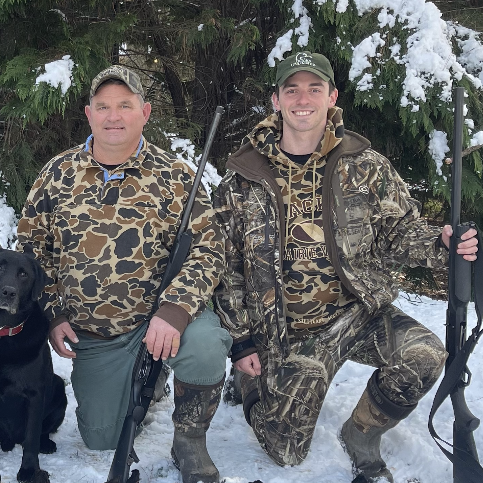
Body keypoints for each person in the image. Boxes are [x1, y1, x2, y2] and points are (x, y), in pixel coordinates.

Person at [213, 51, 478, 483]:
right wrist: (241, 341)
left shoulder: (366, 166)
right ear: (276, 100)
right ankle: (249, 386)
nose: (303, 99)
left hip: (358, 313)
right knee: (285, 450)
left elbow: (398, 233)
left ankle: (362, 433)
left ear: (331, 97)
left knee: (425, 355)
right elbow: (228, 268)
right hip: (284, 329)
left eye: (314, 88)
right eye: (292, 89)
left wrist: (442, 244)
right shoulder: (242, 178)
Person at [16, 65, 232, 483]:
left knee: (205, 345)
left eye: (125, 105)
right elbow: (32, 253)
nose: (113, 116)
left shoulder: (175, 177)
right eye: (103, 107)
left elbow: (209, 249)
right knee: (100, 438)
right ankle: (148, 377)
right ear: (89, 114)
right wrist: (53, 314)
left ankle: (190, 439)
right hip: (96, 335)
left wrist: (175, 311)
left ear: (145, 112)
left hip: (160, 320)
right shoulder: (56, 174)